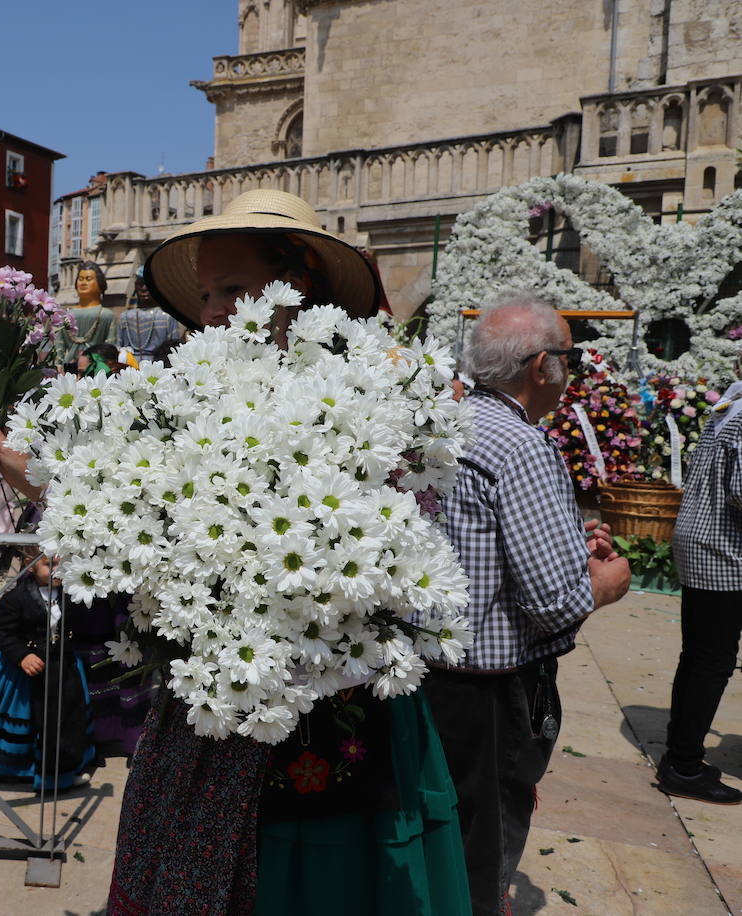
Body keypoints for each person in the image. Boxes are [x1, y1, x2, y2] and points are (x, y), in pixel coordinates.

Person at [100, 190, 471, 915]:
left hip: (332, 702)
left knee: (317, 883)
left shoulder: (372, 401)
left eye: (234, 289)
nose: (213, 310)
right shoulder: (181, 404)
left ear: (299, 289)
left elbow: (398, 559)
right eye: (207, 293)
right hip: (212, 704)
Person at [423, 294, 631, 914]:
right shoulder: (521, 447)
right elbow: (551, 601)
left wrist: (571, 541)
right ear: (542, 366)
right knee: (478, 848)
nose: (572, 371)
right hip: (488, 690)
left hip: (427, 673)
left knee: (441, 834)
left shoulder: (448, 423)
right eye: (569, 358)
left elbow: (480, 546)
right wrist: (604, 583)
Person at [659, 356, 742, 805]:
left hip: (702, 542)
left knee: (699, 656)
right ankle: (684, 766)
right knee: (712, 661)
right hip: (724, 551)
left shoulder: (731, 406)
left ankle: (680, 756)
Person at [0, 551, 96, 789]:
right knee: (26, 718)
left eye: (63, 563)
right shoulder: (15, 598)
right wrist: (22, 655)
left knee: (65, 718)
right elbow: (4, 634)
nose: (58, 570)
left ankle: (63, 771)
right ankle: (16, 769)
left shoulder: (72, 593)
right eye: (49, 564)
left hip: (62, 668)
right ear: (29, 564)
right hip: (23, 674)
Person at [117, 265, 183, 362]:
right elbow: (118, 346)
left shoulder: (167, 317)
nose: (144, 288)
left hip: (159, 365)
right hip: (130, 366)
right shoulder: (125, 317)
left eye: (148, 283)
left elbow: (175, 349)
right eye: (140, 284)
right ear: (135, 286)